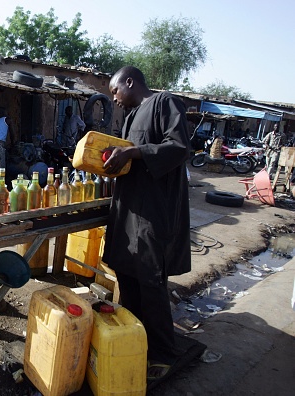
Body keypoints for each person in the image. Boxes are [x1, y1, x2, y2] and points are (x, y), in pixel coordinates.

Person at [101, 66, 191, 380]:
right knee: (126, 275)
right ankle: (136, 341)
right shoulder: (130, 116)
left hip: (154, 212)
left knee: (151, 282)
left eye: (115, 91)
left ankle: (164, 354)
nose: (115, 99)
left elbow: (178, 147)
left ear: (130, 82)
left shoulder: (164, 103)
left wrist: (133, 152)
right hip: (128, 211)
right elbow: (129, 160)